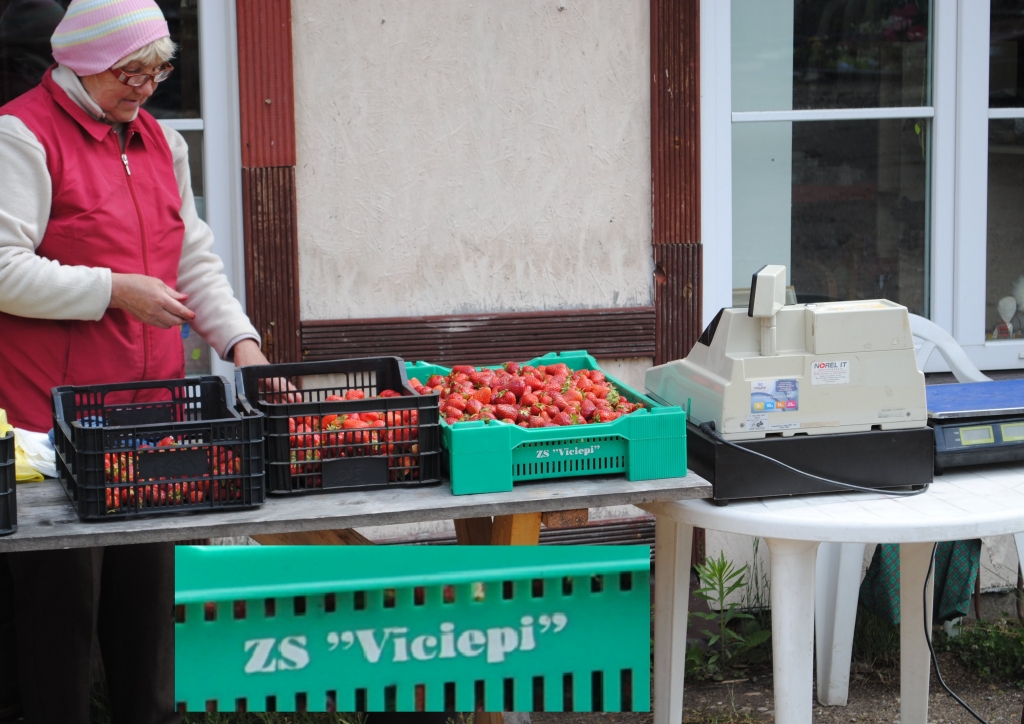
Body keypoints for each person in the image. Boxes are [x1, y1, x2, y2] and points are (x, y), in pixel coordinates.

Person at [0, 0, 271, 721]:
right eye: (133, 70)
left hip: (155, 414)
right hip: (50, 422)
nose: (150, 85)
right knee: (58, 617)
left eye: (161, 69)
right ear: (84, 62)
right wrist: (113, 290)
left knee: (149, 606)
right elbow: (1, 268)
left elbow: (194, 260)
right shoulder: (22, 133)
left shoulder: (158, 141)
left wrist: (241, 345)